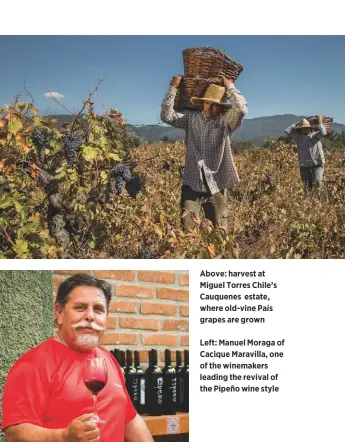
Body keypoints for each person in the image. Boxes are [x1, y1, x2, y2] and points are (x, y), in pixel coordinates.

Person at [2, 274, 154, 442]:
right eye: (80, 308)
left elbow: (130, 420)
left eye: (98, 309)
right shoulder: (32, 365)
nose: (90, 316)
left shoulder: (108, 360)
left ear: (106, 318)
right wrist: (63, 436)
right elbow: (14, 434)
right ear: (59, 313)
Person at [160, 75, 248, 233]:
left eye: (215, 105)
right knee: (187, 228)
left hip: (215, 182)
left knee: (219, 228)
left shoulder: (225, 122)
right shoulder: (191, 118)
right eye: (208, 103)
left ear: (221, 108)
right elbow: (167, 116)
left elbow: (241, 109)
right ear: (202, 104)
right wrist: (173, 88)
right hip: (192, 180)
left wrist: (230, 87)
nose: (210, 108)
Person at [285, 116, 327, 189]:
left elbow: (323, 132)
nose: (305, 129)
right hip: (304, 165)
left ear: (310, 128)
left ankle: (318, 198)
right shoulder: (298, 137)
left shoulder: (315, 135)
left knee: (318, 184)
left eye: (306, 127)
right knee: (307, 185)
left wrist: (320, 121)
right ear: (300, 129)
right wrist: (298, 123)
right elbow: (287, 131)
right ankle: (309, 199)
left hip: (317, 163)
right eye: (303, 128)